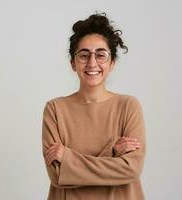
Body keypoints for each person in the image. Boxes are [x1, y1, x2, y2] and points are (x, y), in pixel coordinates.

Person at [42, 12, 146, 200]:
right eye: (84, 55)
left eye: (100, 55)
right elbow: (57, 175)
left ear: (112, 62)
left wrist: (67, 159)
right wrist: (113, 155)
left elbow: (132, 170)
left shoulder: (128, 106)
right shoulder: (55, 109)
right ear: (73, 63)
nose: (92, 63)